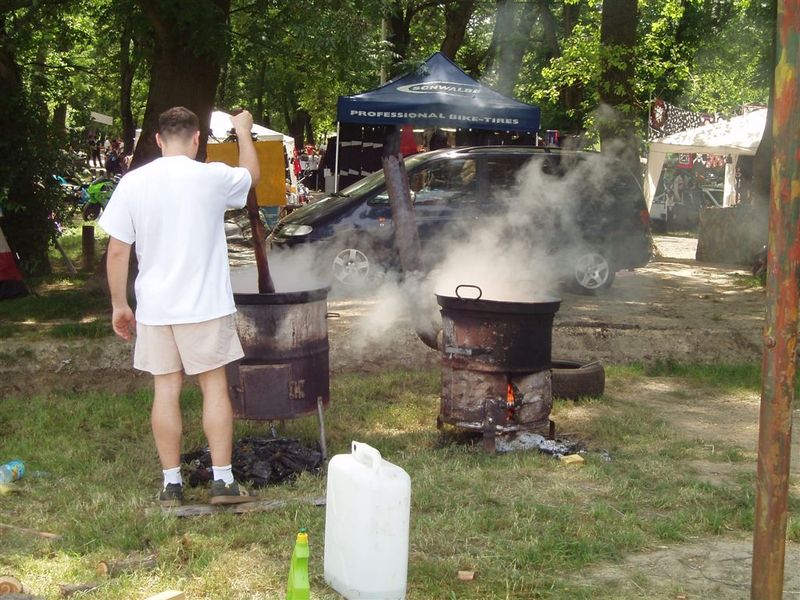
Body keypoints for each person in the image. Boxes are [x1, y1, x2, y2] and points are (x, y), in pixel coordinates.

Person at [98, 106, 261, 507]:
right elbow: (252, 176)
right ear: (197, 139)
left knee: (166, 389)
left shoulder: (133, 182)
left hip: (155, 308)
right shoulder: (212, 177)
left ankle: (172, 485)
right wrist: (242, 131)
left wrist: (119, 305)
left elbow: (117, 251)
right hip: (205, 305)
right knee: (213, 386)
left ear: (158, 140)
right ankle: (223, 482)